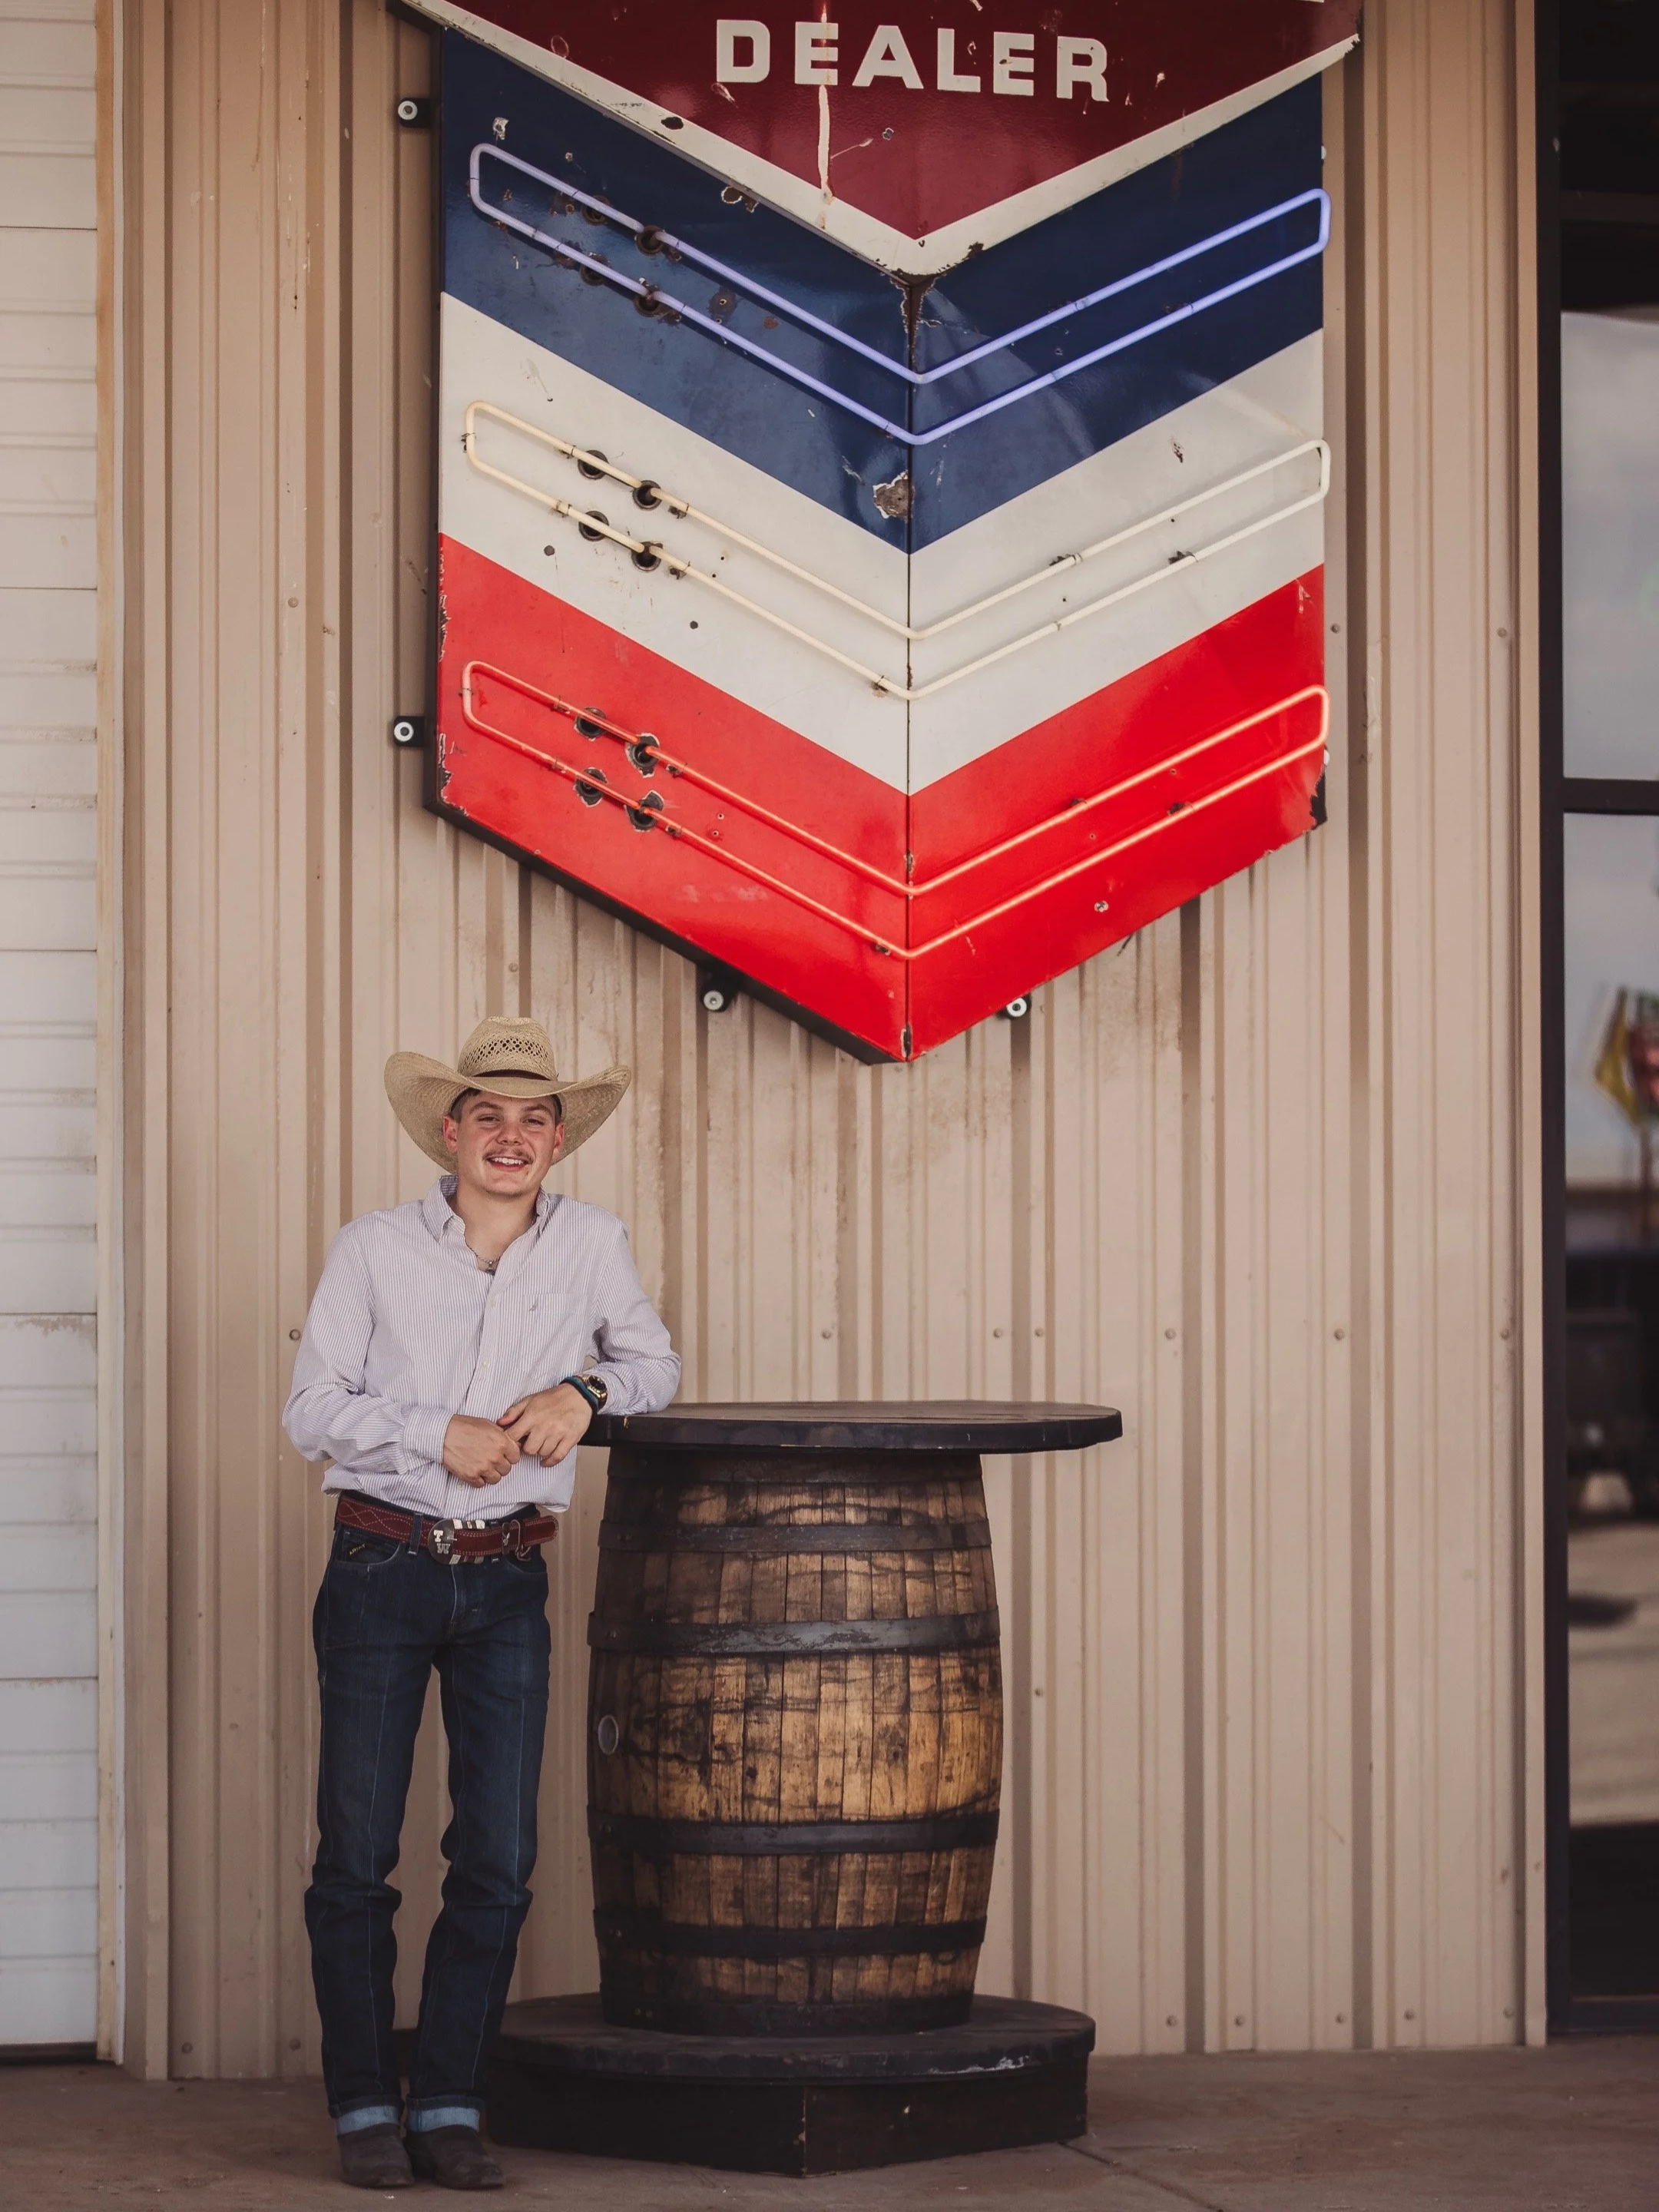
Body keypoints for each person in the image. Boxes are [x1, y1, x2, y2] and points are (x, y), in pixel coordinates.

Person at [283, 1017, 680, 2191]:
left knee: (497, 1859)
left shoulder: (593, 1244)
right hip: (381, 1569)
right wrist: (430, 1432)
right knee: (356, 1855)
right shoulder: (372, 1249)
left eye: (535, 1118)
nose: (512, 1137)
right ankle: (364, 2106)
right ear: (451, 1132)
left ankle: (449, 2101)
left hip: (509, 1579)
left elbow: (653, 1366)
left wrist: (584, 1391)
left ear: (559, 1139)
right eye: (490, 1116)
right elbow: (313, 1409)